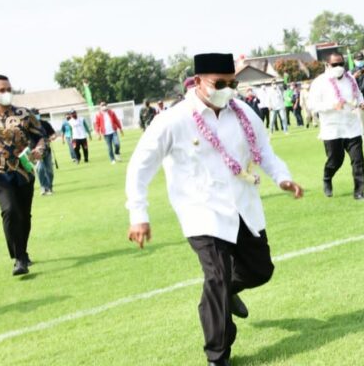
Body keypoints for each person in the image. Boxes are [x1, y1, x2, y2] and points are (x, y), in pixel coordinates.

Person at [125, 53, 303, 366]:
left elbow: (264, 151)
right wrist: (139, 214)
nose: (228, 89)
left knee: (261, 271)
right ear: (197, 83)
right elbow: (141, 166)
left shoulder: (243, 113)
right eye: (219, 84)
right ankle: (217, 356)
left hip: (242, 206)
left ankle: (225, 294)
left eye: (233, 83)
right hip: (201, 212)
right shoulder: (173, 120)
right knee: (217, 277)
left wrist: (283, 178)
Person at [0, 75, 45, 275]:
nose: (6, 93)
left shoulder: (24, 114)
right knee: (10, 211)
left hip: (24, 172)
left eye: (8, 88)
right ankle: (18, 259)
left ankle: (22, 252)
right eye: (1, 90)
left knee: (24, 215)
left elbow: (41, 136)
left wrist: (39, 150)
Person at [310, 52, 364, 200]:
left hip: (351, 125)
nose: (339, 67)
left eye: (341, 64)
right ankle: (327, 177)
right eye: (335, 64)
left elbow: (358, 94)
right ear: (327, 65)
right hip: (332, 128)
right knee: (336, 160)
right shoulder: (319, 82)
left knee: (358, 160)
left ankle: (359, 192)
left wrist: (361, 102)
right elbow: (313, 105)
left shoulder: (350, 80)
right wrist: (332, 105)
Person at [31, 109, 56, 195]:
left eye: (37, 114)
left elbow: (53, 133)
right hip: (35, 151)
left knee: (49, 171)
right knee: (40, 168)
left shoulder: (45, 124)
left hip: (46, 150)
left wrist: (52, 137)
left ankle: (49, 187)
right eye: (34, 115)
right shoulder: (29, 126)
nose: (36, 116)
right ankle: (44, 188)